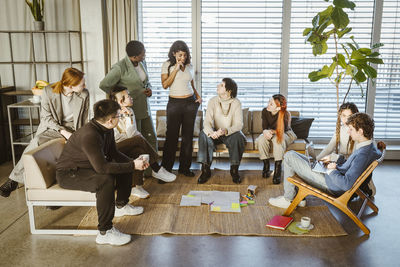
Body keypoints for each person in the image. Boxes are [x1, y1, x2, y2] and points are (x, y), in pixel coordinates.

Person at [56, 99, 148, 246]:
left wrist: (134, 162)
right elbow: (102, 169)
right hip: (69, 174)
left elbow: (114, 153)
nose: (121, 117)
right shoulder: (90, 135)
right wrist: (132, 165)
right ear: (111, 120)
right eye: (119, 115)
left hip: (87, 168)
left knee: (125, 164)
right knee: (105, 180)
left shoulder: (107, 129)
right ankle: (105, 232)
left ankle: (121, 206)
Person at [0, 68, 89, 198]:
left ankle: (50, 197)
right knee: (36, 142)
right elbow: (46, 118)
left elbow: (84, 119)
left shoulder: (84, 94)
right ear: (70, 86)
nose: (85, 86)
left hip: (73, 129)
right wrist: (63, 132)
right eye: (82, 84)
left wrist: (80, 136)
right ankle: (13, 180)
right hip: (53, 127)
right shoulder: (49, 90)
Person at [268, 112, 383, 209]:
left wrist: (332, 170)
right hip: (332, 176)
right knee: (298, 157)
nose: (348, 132)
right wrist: (336, 160)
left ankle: (288, 199)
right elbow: (351, 165)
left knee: (289, 156)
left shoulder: (363, 154)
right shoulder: (370, 147)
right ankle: (296, 197)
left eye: (351, 129)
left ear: (361, 131)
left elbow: (346, 184)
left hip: (332, 184)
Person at [99, 40, 156, 177]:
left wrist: (149, 89)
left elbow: (145, 82)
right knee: (137, 141)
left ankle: (152, 170)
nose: (145, 55)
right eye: (142, 54)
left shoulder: (142, 63)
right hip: (131, 108)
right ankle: (141, 173)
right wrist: (119, 98)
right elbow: (104, 85)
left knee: (150, 137)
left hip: (144, 106)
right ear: (134, 56)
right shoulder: (120, 68)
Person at [110, 85, 176, 198]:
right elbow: (119, 138)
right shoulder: (111, 115)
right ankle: (156, 168)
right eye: (127, 96)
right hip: (113, 147)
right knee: (139, 139)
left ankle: (137, 187)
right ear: (120, 101)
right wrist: (128, 119)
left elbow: (132, 133)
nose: (131, 98)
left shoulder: (130, 110)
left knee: (139, 150)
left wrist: (128, 117)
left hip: (128, 143)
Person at [160, 40, 202, 177]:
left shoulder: (189, 65)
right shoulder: (167, 65)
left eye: (184, 55)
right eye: (179, 55)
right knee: (171, 137)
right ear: (173, 54)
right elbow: (165, 85)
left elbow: (191, 83)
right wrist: (176, 69)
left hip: (190, 103)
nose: (182, 58)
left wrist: (197, 96)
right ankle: (166, 170)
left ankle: (185, 168)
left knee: (187, 137)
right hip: (174, 104)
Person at [197, 78, 245, 184]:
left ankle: (234, 170)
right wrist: (211, 133)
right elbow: (207, 122)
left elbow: (238, 125)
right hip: (215, 133)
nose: (218, 86)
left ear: (229, 91)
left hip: (230, 133)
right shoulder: (213, 101)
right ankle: (205, 170)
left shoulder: (236, 103)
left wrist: (225, 130)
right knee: (203, 134)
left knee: (238, 137)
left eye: (222, 85)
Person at [255, 94, 297, 184]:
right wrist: (265, 131)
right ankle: (266, 165)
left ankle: (277, 170)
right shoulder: (265, 111)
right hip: (270, 132)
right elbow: (265, 126)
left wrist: (271, 132)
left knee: (278, 140)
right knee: (261, 140)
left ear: (278, 108)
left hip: (285, 133)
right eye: (268, 102)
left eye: (271, 104)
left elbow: (283, 129)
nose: (268, 104)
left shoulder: (285, 113)